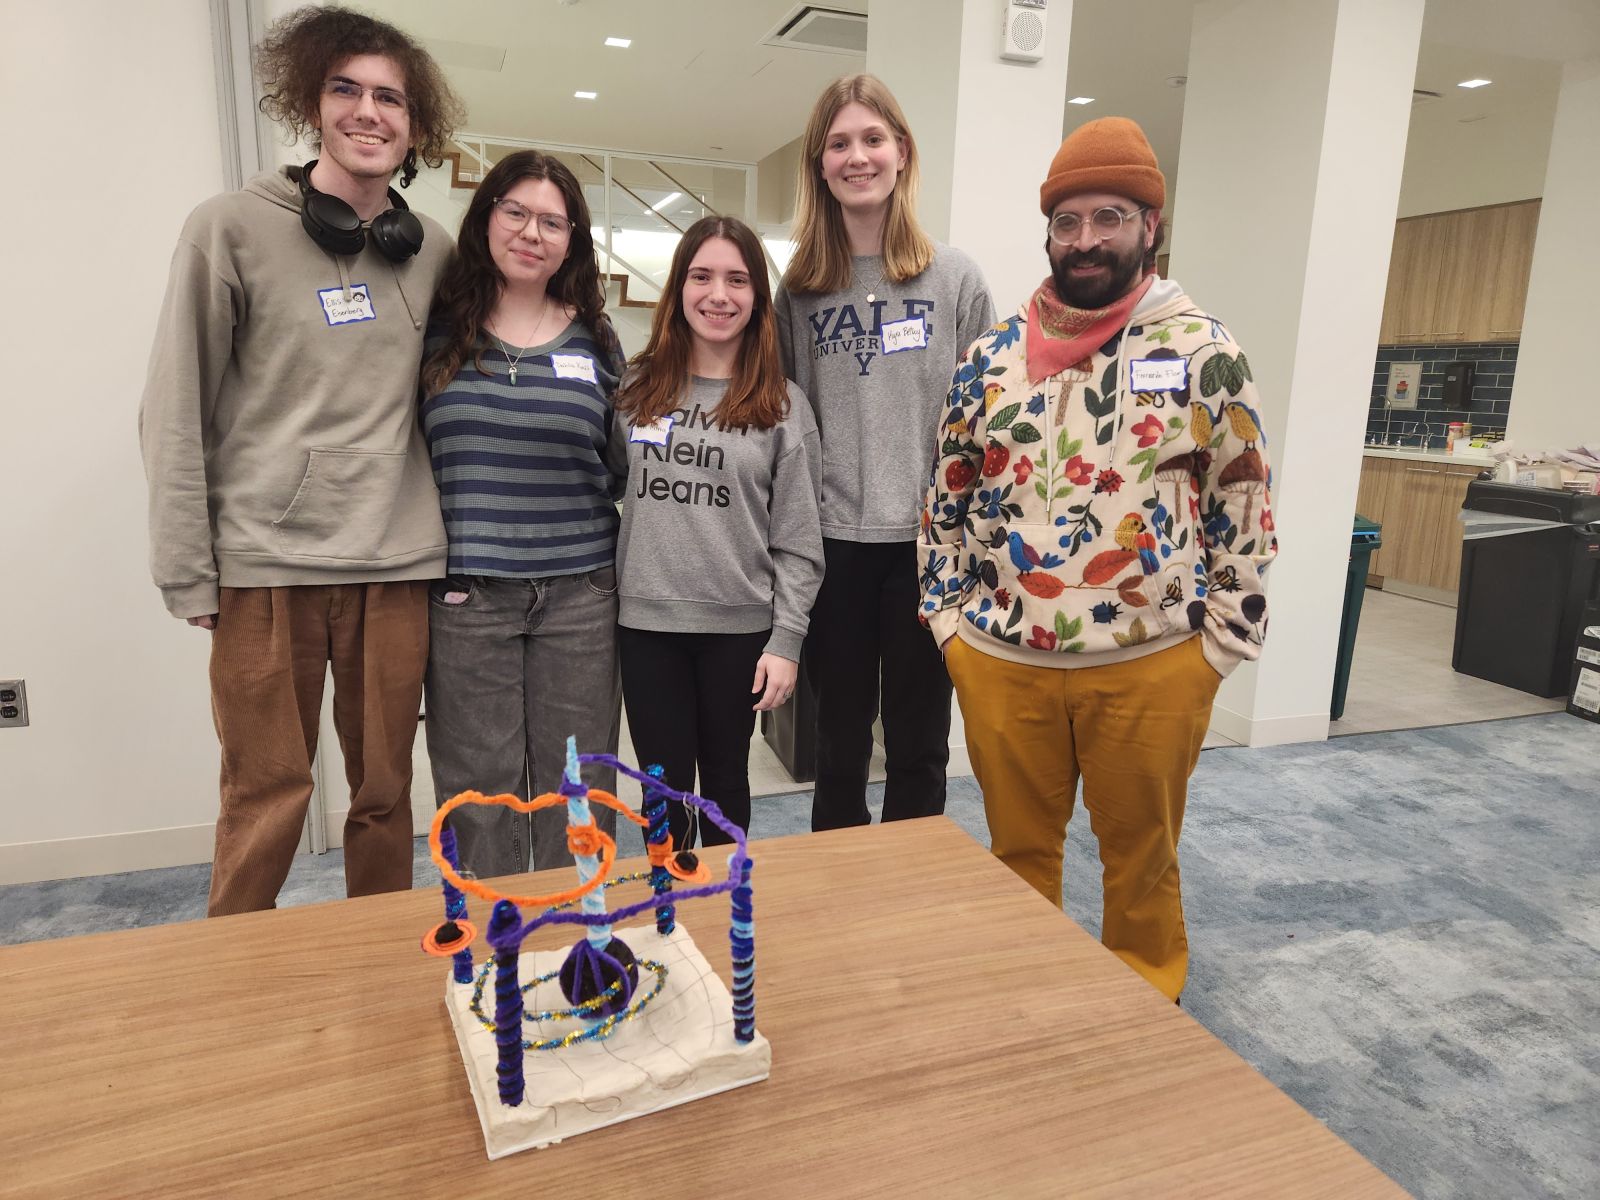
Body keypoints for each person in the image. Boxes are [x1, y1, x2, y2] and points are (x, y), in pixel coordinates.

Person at [919, 117, 1277, 1001]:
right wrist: (948, 623)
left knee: (1141, 860)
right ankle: (1029, 1009)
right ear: (1049, 230)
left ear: (1150, 225)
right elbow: (946, 499)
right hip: (1003, 661)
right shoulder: (990, 361)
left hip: (1154, 662)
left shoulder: (1204, 351)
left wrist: (1221, 644)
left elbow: (1245, 497)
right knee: (1018, 856)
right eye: (1069, 221)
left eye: (1110, 217)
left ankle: (1143, 1014)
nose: (1086, 240)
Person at [138, 6, 462, 916]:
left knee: (388, 795)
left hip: (396, 566)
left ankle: (379, 966)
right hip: (264, 570)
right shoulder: (229, 228)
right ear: (311, 103)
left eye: (390, 98)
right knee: (266, 796)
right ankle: (237, 977)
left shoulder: (431, 249)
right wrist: (185, 569)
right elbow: (173, 408)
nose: (369, 112)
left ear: (414, 123)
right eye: (346, 89)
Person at [775, 75, 994, 832]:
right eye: (840, 143)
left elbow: (984, 426)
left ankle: (910, 898)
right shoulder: (799, 290)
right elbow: (784, 423)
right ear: (820, 163)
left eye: (873, 139)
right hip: (831, 549)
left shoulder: (956, 278)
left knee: (919, 747)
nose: (857, 156)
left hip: (926, 551)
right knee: (835, 748)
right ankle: (840, 908)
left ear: (902, 153)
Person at [419, 151, 626, 878]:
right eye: (516, 212)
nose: (531, 232)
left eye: (552, 221)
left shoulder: (596, 338)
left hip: (582, 597)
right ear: (486, 218)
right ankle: (500, 955)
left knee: (582, 786)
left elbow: (624, 463)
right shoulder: (437, 331)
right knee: (479, 794)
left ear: (572, 239)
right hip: (468, 597)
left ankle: (581, 946)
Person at [609, 217, 823, 850]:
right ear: (679, 288)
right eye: (701, 277)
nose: (718, 295)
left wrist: (787, 641)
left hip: (739, 632)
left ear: (757, 296)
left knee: (726, 785)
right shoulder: (636, 389)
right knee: (661, 791)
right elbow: (610, 483)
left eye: (737, 279)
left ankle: (728, 920)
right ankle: (669, 919)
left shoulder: (783, 406)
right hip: (647, 627)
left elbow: (800, 541)